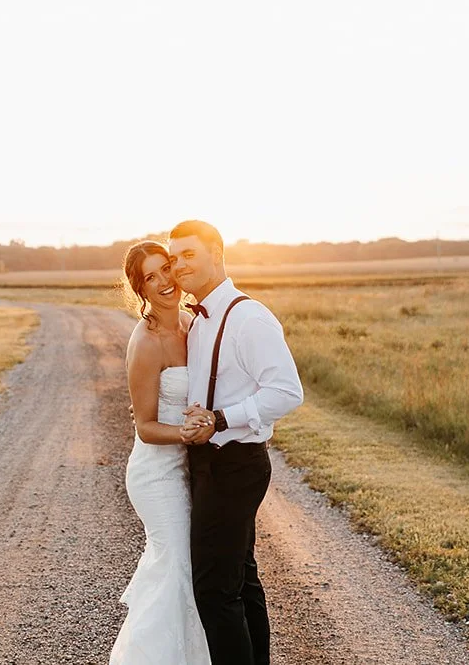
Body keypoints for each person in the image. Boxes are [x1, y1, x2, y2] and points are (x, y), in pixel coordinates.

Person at [170, 219, 303, 665]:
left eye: (189, 254)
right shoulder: (198, 319)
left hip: (236, 464)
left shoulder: (249, 317)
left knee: (213, 591)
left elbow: (287, 391)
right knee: (241, 581)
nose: (179, 264)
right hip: (207, 462)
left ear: (217, 253)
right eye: (174, 257)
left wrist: (222, 419)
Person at [109, 240, 215, 665]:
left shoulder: (193, 325)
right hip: (156, 474)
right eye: (149, 278)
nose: (162, 282)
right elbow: (146, 427)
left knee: (189, 566)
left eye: (164, 270)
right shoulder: (146, 342)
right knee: (176, 567)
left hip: (190, 468)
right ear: (141, 290)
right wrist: (189, 434)